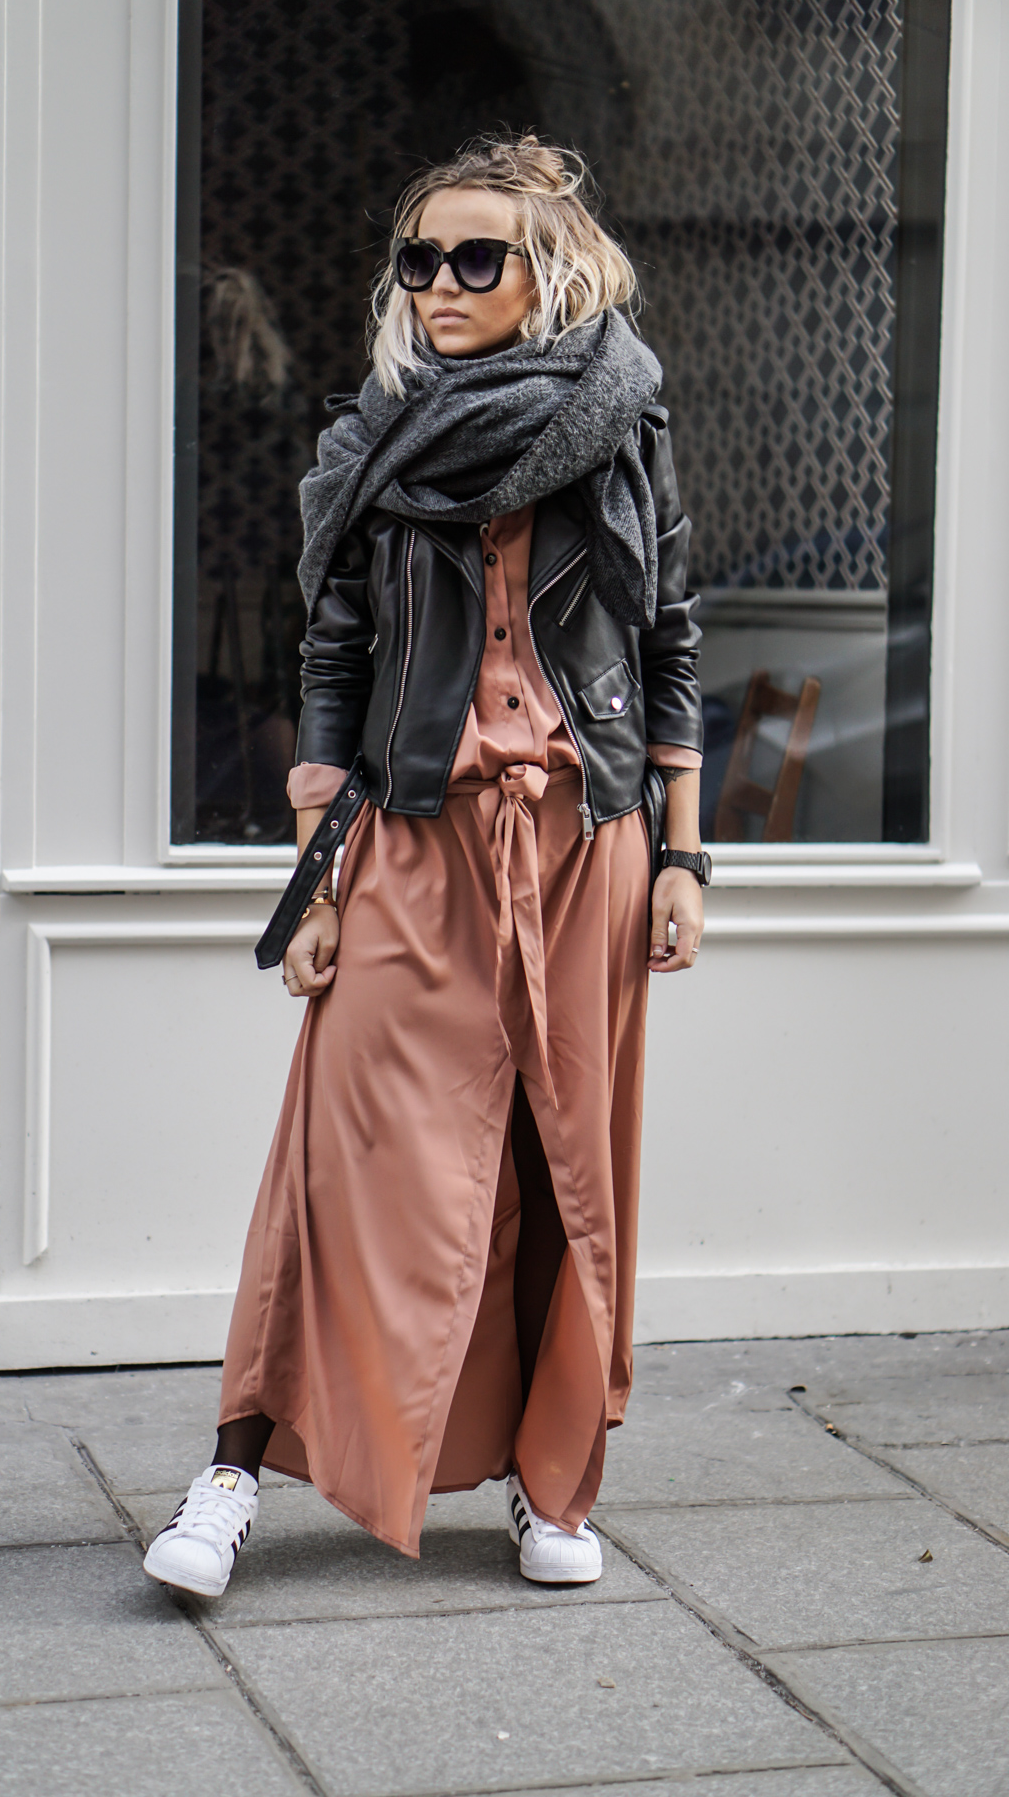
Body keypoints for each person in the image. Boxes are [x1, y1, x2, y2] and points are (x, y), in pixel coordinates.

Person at [144, 134, 707, 1600]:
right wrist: (318, 883)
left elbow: (668, 646)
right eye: (420, 260)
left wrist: (689, 855)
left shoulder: (627, 424)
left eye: (477, 258)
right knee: (339, 1158)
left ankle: (545, 1479)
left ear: (549, 274)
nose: (442, 284)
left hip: (587, 840)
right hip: (412, 835)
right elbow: (332, 661)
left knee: (560, 1159)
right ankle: (229, 1475)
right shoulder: (372, 445)